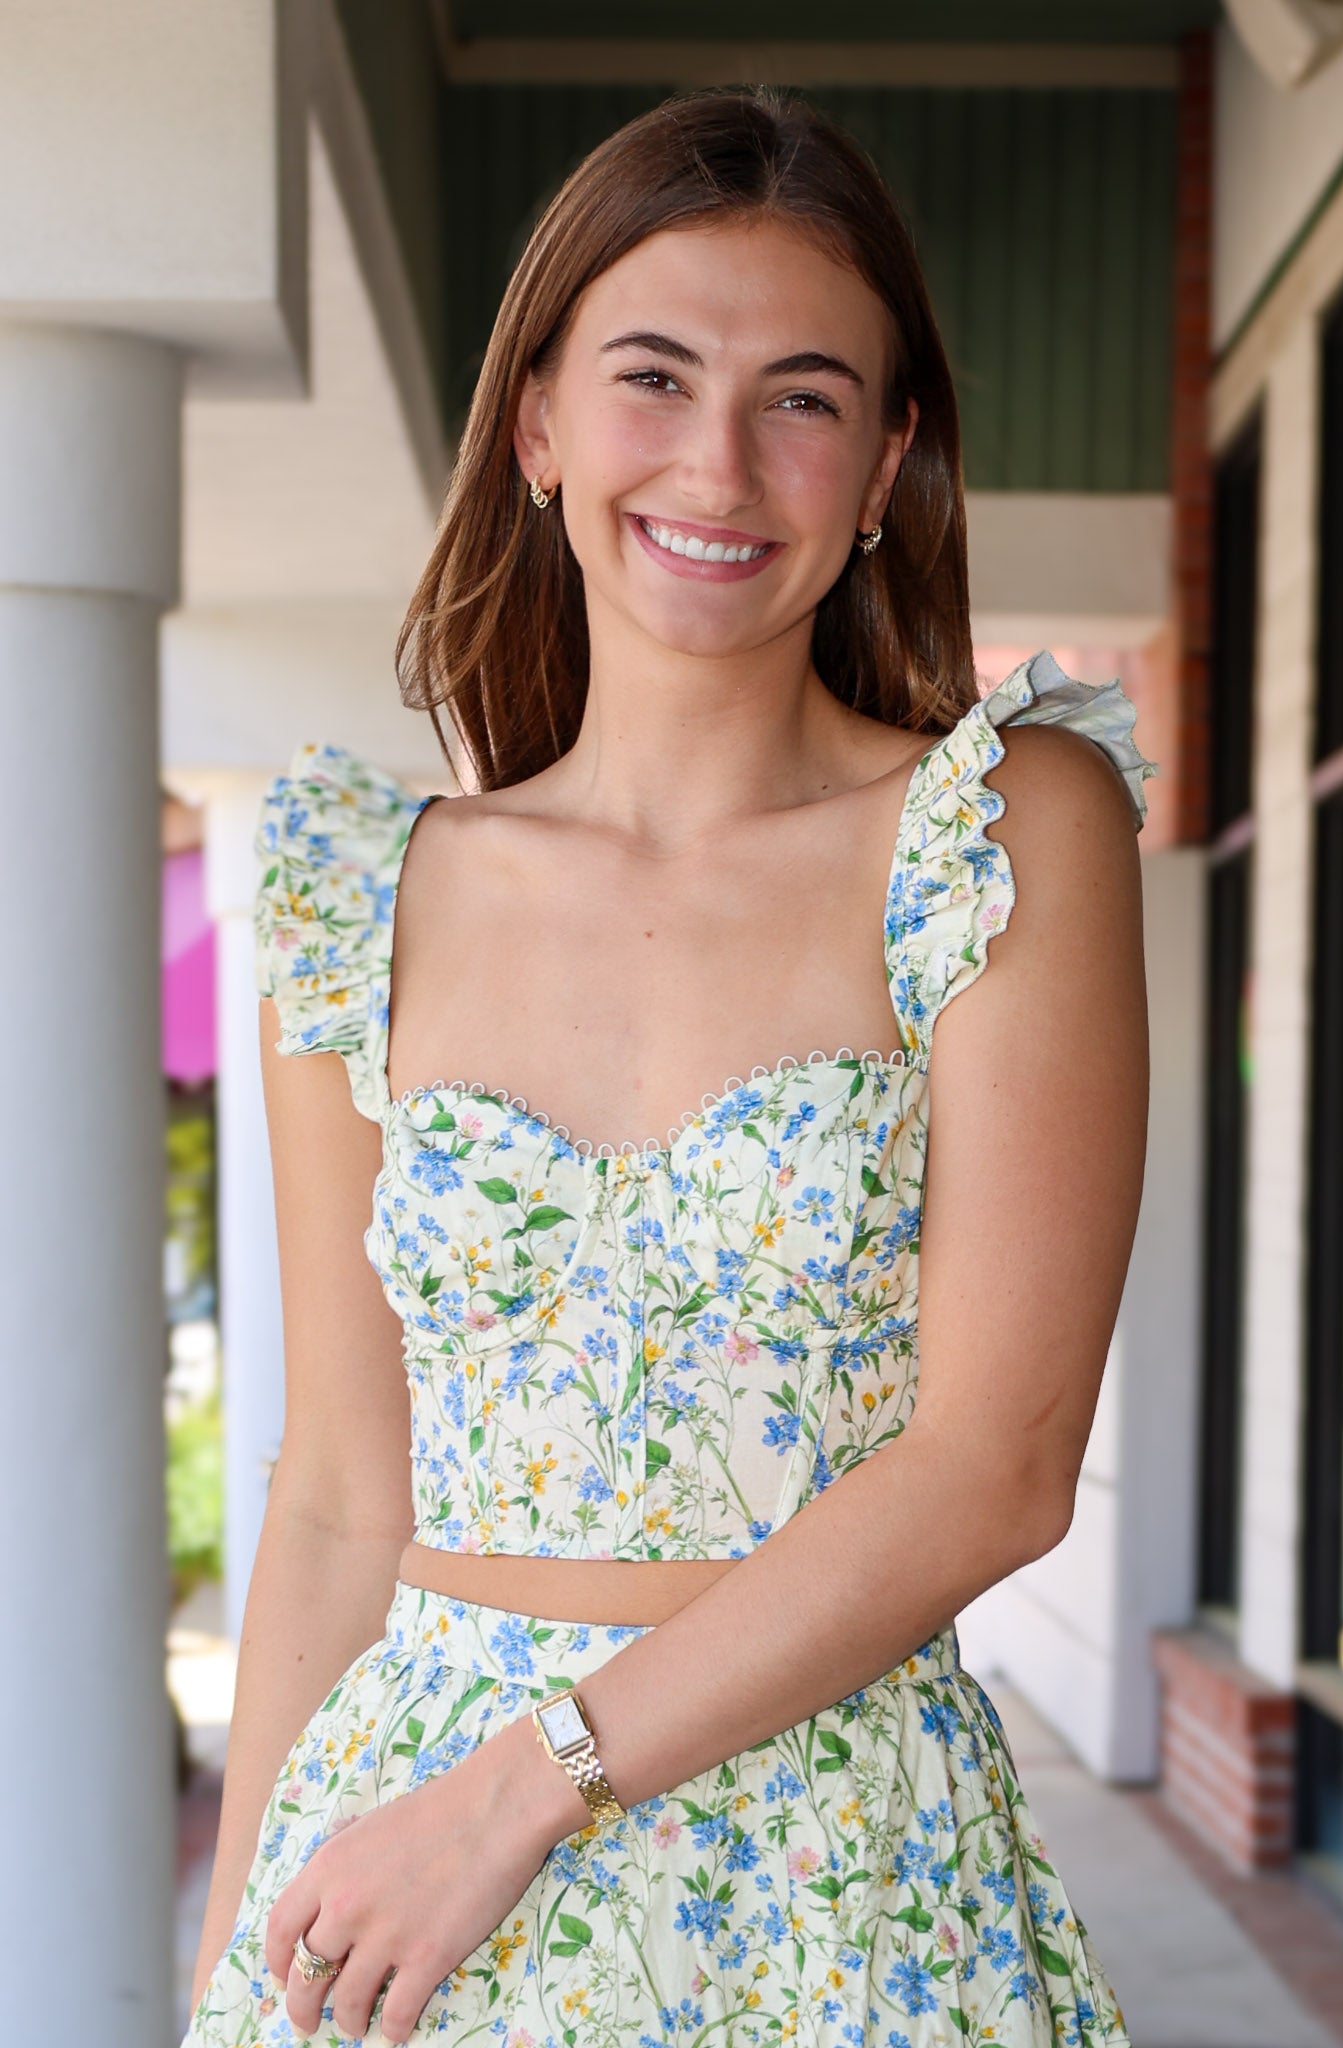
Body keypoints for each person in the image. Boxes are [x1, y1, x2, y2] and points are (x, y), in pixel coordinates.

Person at [183, 84, 1156, 2048]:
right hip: (403, 1908)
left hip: (835, 1873)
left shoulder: (994, 831)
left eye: (801, 395)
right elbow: (337, 1504)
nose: (718, 459)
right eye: (651, 375)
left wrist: (524, 1786)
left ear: (885, 461)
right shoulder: (351, 891)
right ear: (535, 420)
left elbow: (998, 1463)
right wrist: (234, 1974)